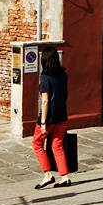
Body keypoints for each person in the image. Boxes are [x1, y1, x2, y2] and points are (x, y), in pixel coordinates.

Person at [31, 46, 72, 189]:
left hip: (48, 118)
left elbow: (45, 101)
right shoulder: (63, 75)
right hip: (62, 114)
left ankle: (47, 174)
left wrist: (43, 122)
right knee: (57, 146)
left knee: (37, 144)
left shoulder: (44, 78)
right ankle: (64, 176)